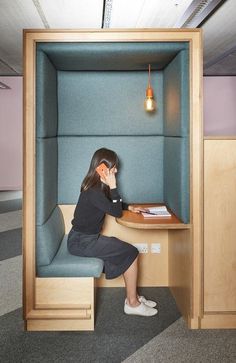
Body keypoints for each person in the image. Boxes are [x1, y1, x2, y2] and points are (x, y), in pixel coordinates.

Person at [67, 148, 158, 317]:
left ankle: (134, 297)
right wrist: (114, 185)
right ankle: (132, 303)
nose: (116, 171)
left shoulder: (96, 187)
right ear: (101, 168)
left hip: (84, 239)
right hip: (82, 242)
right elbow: (115, 212)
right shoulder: (93, 191)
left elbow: (110, 205)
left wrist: (129, 207)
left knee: (125, 250)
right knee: (131, 252)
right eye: (113, 167)